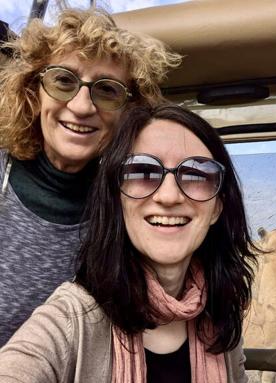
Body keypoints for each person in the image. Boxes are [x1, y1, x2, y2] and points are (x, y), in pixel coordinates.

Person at [0, 103, 255, 383]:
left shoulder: (220, 313)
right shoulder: (70, 322)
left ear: (217, 208)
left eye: (196, 173)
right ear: (116, 200)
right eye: (143, 171)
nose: (169, 196)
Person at [0, 8, 181, 345]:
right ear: (33, 92)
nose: (82, 107)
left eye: (107, 90)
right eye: (63, 81)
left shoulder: (131, 205)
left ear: (128, 112)